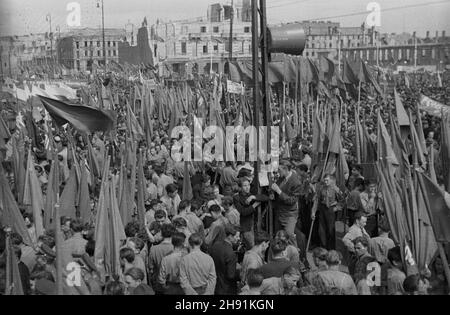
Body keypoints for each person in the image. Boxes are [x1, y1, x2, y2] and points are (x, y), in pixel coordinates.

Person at [271, 160, 302, 246]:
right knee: (278, 236)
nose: (278, 172)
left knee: (289, 236)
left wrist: (278, 191)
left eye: (279, 170)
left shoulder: (296, 182)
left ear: (286, 169)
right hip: (280, 212)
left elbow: (292, 201)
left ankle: (295, 256)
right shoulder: (281, 178)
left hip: (289, 214)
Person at [209, 224, 241, 295]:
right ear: (230, 236)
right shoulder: (230, 253)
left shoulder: (215, 246)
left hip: (215, 286)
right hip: (227, 289)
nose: (238, 238)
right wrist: (240, 273)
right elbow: (231, 275)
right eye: (237, 236)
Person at [316, 174, 344, 250]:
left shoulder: (336, 189)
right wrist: (315, 210)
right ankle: (323, 247)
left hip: (331, 209)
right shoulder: (322, 188)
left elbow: (342, 200)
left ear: (331, 180)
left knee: (330, 229)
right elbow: (318, 200)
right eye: (324, 180)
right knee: (321, 229)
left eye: (327, 180)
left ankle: (331, 248)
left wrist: (337, 207)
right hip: (323, 209)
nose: (325, 182)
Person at [233, 178, 260, 249]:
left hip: (255, 224)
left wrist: (253, 197)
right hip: (246, 225)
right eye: (245, 185)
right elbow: (243, 212)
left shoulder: (251, 195)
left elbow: (265, 197)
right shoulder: (237, 197)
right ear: (240, 187)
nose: (247, 187)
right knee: (251, 246)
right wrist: (254, 205)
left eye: (248, 185)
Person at [149, 224, 175, 293]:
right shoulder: (176, 248)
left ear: (161, 233)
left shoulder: (153, 249)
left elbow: (151, 268)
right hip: (173, 283)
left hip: (159, 284)